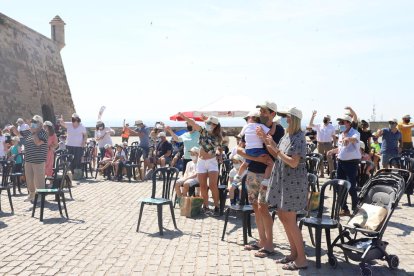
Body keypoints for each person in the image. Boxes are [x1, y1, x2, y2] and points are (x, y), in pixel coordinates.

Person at [265, 107, 308, 270]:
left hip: (294, 183)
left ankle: (302, 259)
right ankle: (293, 253)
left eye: (287, 117)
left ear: (294, 119)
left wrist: (275, 149)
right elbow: (277, 154)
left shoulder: (299, 137)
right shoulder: (287, 136)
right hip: (284, 181)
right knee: (283, 217)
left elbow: (293, 162)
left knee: (290, 220)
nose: (284, 119)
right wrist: (267, 141)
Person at [239, 101, 278, 257]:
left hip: (267, 175)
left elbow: (277, 153)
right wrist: (256, 159)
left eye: (264, 111)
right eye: (259, 111)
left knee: (263, 208)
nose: (261, 113)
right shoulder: (250, 128)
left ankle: (269, 245)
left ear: (272, 113)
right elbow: (240, 150)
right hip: (253, 172)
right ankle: (262, 241)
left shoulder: (278, 129)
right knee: (256, 207)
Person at [177, 112, 222, 216]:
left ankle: (217, 206)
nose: (208, 124)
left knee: (212, 185)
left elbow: (219, 148)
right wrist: (184, 117)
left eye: (210, 123)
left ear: (215, 125)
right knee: (202, 186)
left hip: (212, 162)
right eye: (208, 122)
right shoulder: (203, 131)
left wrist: (219, 154)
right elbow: (193, 123)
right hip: (201, 161)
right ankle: (206, 206)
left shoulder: (217, 137)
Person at [327, 114, 361, 216]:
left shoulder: (355, 133)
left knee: (351, 186)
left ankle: (355, 207)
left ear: (349, 123)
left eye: (342, 122)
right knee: (339, 186)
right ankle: (344, 208)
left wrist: (348, 139)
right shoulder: (341, 134)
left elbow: (354, 139)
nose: (340, 124)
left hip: (351, 163)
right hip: (341, 162)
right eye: (339, 122)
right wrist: (333, 151)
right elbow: (341, 148)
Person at [10, 115, 48, 203]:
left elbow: (38, 143)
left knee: (39, 180)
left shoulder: (43, 133)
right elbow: (18, 134)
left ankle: (40, 196)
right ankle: (31, 194)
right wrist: (14, 129)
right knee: (29, 179)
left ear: (40, 124)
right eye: (32, 122)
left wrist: (34, 133)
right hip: (28, 160)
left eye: (35, 122)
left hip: (38, 160)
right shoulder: (28, 132)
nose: (32, 124)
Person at [233, 110, 272, 186]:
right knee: (270, 163)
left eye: (247, 118)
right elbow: (269, 133)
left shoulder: (246, 126)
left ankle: (238, 176)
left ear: (250, 118)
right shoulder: (260, 126)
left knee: (245, 164)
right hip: (258, 150)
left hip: (248, 150)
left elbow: (240, 135)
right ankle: (266, 179)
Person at [308, 111, 336, 177]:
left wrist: (334, 145)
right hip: (320, 144)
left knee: (330, 159)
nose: (325, 119)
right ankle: (322, 174)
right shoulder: (319, 125)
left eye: (326, 118)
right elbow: (310, 124)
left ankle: (332, 174)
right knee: (320, 159)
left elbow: (334, 136)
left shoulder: (332, 127)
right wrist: (313, 116)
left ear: (329, 119)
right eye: (324, 118)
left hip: (328, 144)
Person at [59, 113, 87, 178]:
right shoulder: (69, 124)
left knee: (77, 160)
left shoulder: (82, 127)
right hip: (69, 145)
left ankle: (77, 173)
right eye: (73, 120)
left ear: (78, 120)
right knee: (69, 159)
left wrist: (83, 142)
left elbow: (85, 135)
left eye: (75, 120)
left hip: (78, 146)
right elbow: (62, 123)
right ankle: (72, 173)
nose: (74, 121)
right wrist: (61, 121)